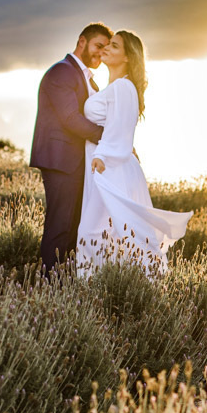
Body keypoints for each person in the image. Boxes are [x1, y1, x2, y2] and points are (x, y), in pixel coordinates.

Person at [76, 30, 192, 275]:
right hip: (108, 164)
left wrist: (102, 155)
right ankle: (114, 286)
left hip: (109, 167)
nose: (106, 48)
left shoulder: (122, 86)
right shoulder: (115, 87)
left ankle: (106, 285)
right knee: (111, 232)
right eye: (108, 44)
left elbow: (119, 129)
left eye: (114, 46)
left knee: (94, 232)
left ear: (128, 57)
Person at [29, 23, 111, 272]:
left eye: (106, 49)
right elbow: (70, 118)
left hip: (78, 163)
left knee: (74, 226)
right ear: (82, 41)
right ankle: (49, 284)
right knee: (60, 226)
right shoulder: (62, 71)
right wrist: (108, 138)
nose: (101, 53)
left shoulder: (90, 81)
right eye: (98, 46)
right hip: (61, 161)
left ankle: (63, 283)